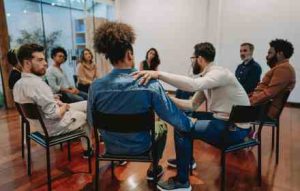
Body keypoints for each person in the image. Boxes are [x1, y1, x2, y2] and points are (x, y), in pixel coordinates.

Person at [87, 21, 192, 189]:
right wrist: (190, 123)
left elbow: (91, 121)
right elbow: (174, 118)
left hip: (111, 146)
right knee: (162, 126)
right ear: (129, 54)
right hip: (142, 147)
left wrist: (94, 141)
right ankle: (154, 167)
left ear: (109, 57)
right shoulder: (149, 84)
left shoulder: (96, 86)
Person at [132, 42, 251, 191]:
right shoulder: (210, 76)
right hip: (227, 124)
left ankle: (182, 182)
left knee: (182, 128)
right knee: (184, 123)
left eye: (192, 58)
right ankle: (186, 160)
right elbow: (191, 104)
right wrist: (166, 98)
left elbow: (193, 84)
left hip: (234, 129)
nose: (192, 62)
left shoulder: (219, 73)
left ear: (199, 59)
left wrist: (159, 74)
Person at [13, 43, 92, 158]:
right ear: (27, 63)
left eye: (44, 59)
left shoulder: (18, 85)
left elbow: (35, 102)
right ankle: (89, 149)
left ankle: (95, 136)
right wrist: (65, 106)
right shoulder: (39, 85)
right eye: (40, 60)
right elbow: (55, 115)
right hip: (52, 127)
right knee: (83, 115)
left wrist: (52, 99)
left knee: (86, 104)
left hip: (38, 126)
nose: (45, 63)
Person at [250, 39, 296, 119]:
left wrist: (250, 101)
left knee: (230, 110)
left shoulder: (284, 69)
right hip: (261, 106)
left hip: (264, 110)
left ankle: (245, 131)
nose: (267, 56)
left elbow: (269, 93)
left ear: (280, 54)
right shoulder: (281, 67)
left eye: (270, 53)